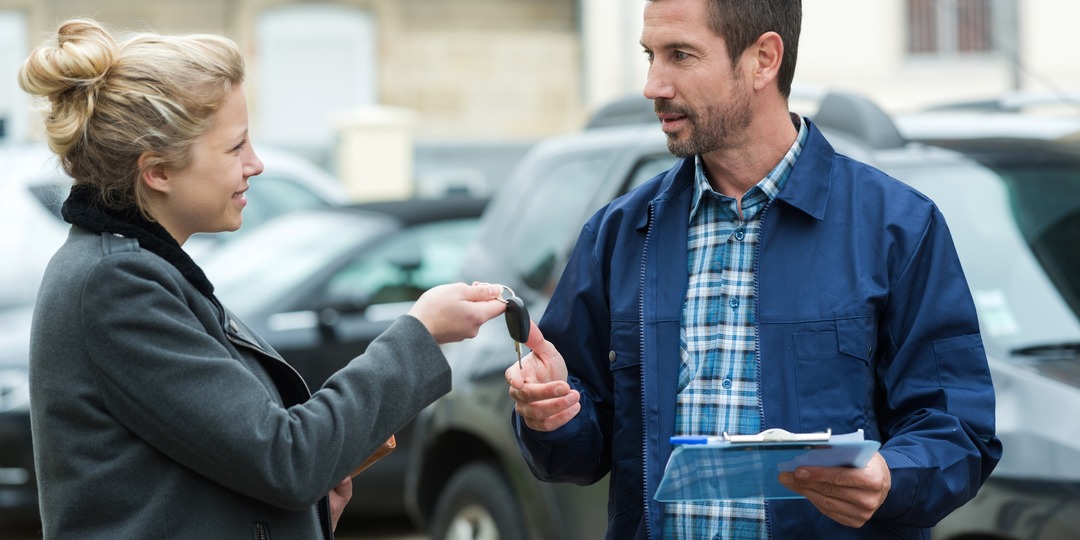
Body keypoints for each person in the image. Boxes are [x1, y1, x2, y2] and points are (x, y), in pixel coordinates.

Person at [504, 0, 1002, 538]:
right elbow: (578, 453)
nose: (653, 85)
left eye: (680, 55)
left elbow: (958, 432)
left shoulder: (897, 227)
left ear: (764, 59)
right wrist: (551, 416)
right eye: (650, 55)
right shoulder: (620, 235)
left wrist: (891, 476)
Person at [20, 18, 507, 539]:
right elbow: (287, 457)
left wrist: (303, 515)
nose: (256, 164)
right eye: (235, 147)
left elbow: (212, 471)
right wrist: (421, 333)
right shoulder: (116, 283)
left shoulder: (135, 267)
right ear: (157, 171)